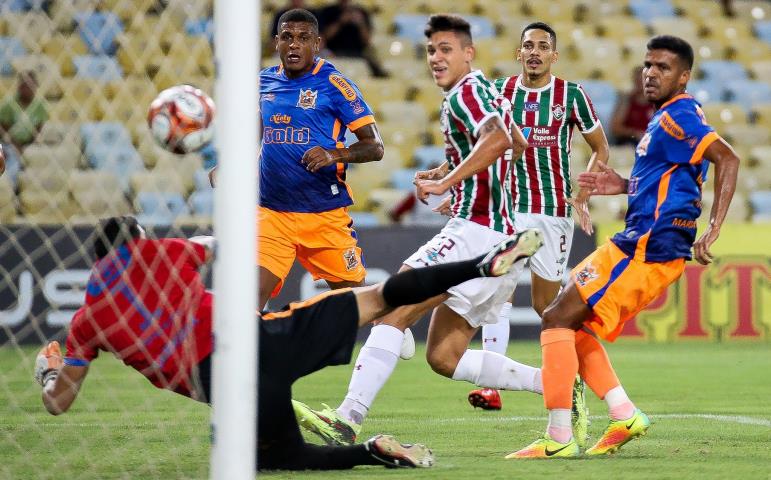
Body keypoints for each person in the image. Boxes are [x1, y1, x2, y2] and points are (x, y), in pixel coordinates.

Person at [33, 216, 540, 470]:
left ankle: (373, 453)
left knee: (282, 459)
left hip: (229, 390)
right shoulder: (164, 252)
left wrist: (48, 373)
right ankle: (486, 262)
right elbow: (224, 246)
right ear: (137, 242)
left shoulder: (87, 321)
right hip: (262, 339)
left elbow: (59, 404)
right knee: (380, 297)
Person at [292, 14, 585, 447]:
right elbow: (517, 143)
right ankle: (560, 383)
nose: (436, 58)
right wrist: (457, 174)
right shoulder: (487, 89)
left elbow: (501, 142)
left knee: (394, 307)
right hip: (500, 239)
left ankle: (347, 418)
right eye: (431, 50)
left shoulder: (465, 93)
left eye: (446, 49)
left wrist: (450, 183)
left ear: (469, 52)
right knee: (444, 357)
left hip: (476, 232)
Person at [507, 35, 739, 459]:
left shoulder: (680, 116)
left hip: (650, 249)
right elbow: (670, 179)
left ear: (684, 76)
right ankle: (623, 413)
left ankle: (559, 437)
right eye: (647, 65)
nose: (650, 73)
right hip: (633, 240)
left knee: (557, 318)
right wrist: (623, 185)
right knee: (567, 320)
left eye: (663, 68)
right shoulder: (665, 117)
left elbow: (727, 158)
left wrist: (714, 227)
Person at [467, 22, 610, 437]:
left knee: (550, 311)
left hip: (552, 213)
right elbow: (473, 143)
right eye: (528, 45)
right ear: (518, 52)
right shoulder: (499, 93)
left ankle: (573, 384)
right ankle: (494, 387)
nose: (534, 52)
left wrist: (582, 193)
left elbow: (600, 147)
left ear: (554, 55)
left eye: (542, 47)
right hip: (509, 212)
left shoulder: (571, 96)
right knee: (498, 293)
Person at [212, 9, 383, 310]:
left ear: (317, 44)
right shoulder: (263, 81)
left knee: (362, 305)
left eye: (303, 38)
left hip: (323, 216)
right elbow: (260, 127)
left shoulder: (335, 85)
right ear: (276, 42)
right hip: (272, 214)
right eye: (287, 38)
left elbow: (375, 146)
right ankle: (249, 358)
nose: (294, 45)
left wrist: (335, 154)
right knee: (246, 305)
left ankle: (389, 319)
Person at [317, 0, 388, 77]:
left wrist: (361, 24)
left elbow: (367, 40)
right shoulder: (328, 11)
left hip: (358, 54)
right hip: (335, 52)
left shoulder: (362, 12)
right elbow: (324, 37)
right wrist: (340, 21)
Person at [0, 71, 48, 150]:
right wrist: (16, 145)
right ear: (19, 87)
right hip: (8, 143)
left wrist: (28, 146)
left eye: (31, 86)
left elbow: (38, 129)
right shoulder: (9, 104)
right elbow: (3, 129)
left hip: (29, 144)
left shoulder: (40, 106)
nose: (28, 89)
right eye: (24, 86)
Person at [610, 65, 656, 145]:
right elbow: (615, 128)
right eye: (637, 81)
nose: (640, 84)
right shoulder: (626, 101)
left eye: (642, 81)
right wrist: (635, 133)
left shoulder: (658, 102)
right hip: (630, 142)